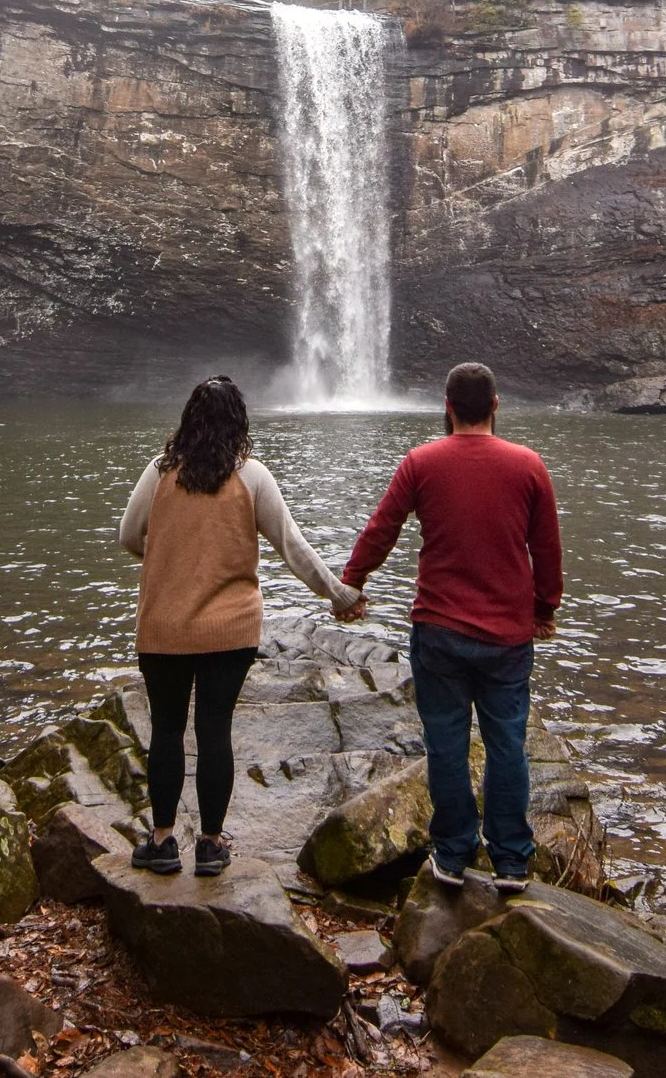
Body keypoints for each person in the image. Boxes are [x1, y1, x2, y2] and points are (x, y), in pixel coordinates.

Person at [120, 375, 363, 876]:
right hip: (230, 633)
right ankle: (211, 846)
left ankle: (162, 842)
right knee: (215, 732)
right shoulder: (252, 476)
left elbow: (128, 535)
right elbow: (292, 546)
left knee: (166, 731)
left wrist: (169, 558)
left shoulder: (159, 471)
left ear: (188, 420)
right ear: (238, 423)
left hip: (164, 628)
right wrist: (338, 595)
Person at [338, 361, 561, 892]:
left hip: (438, 629)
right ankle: (511, 860)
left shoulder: (421, 461)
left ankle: (454, 855)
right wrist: (544, 608)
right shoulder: (528, 465)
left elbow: (382, 528)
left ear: (447, 406)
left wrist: (351, 583)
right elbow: (547, 547)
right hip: (507, 636)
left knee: (445, 744)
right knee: (507, 744)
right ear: (495, 405)